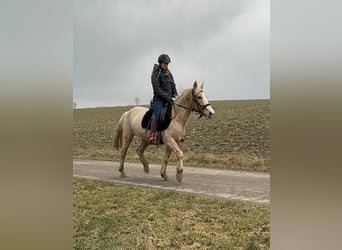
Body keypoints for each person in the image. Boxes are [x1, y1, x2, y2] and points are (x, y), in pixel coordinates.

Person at [149, 54, 178, 144]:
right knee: (157, 115)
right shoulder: (156, 74)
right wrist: (166, 97)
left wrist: (175, 95)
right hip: (159, 99)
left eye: (167, 63)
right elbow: (157, 89)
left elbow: (173, 85)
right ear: (160, 63)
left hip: (169, 99)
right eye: (165, 63)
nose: (166, 65)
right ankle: (153, 135)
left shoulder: (169, 74)